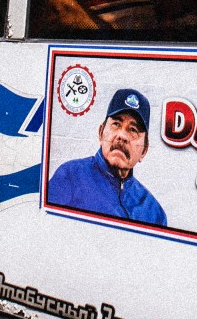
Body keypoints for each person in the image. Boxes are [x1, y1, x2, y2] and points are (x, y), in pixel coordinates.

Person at [48, 88, 167, 226]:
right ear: (101, 133)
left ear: (144, 151)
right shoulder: (70, 177)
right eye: (116, 124)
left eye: (133, 130)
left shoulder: (154, 213)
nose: (122, 136)